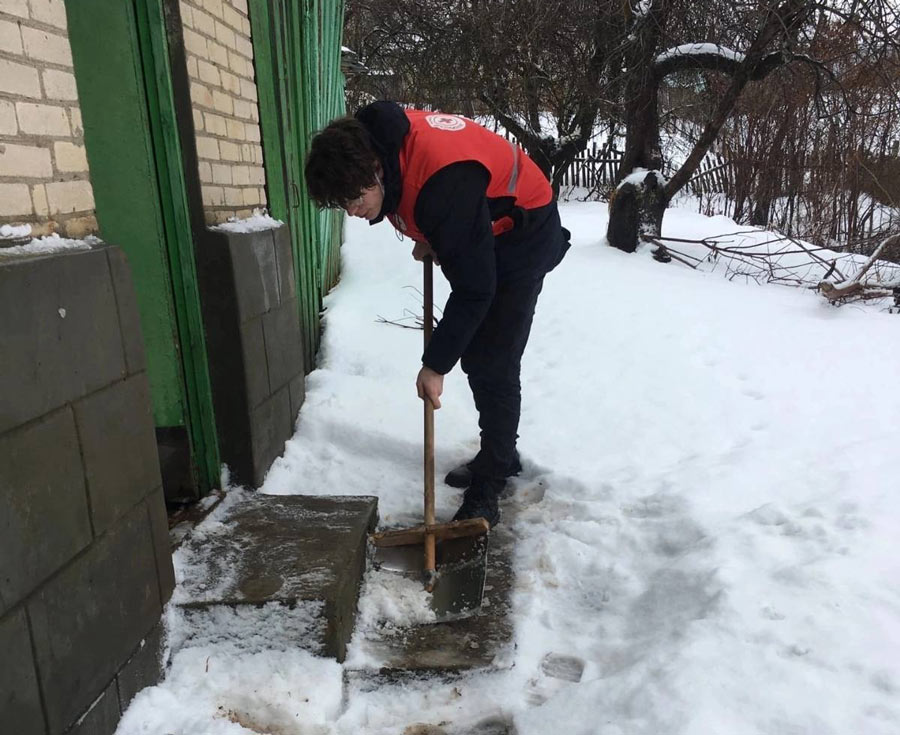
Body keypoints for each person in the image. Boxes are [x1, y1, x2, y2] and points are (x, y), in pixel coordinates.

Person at [305, 101, 569, 527]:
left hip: (524, 234)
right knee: (480, 353)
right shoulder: (378, 144)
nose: (352, 211)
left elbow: (476, 288)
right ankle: (499, 453)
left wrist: (434, 365)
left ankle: (492, 479)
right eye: (343, 203)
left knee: (492, 359)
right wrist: (437, 236)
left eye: (355, 198)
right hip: (483, 219)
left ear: (376, 168)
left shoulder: (442, 190)